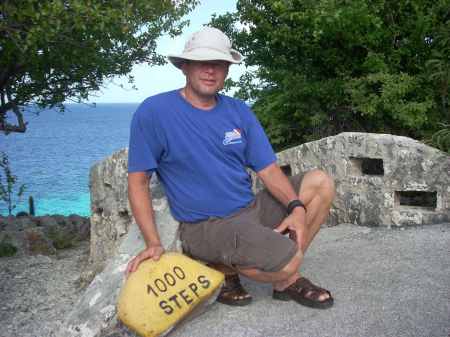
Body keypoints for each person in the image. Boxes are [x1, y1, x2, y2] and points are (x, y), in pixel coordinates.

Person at [126, 27, 335, 309]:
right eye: (202, 62)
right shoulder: (154, 112)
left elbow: (269, 170)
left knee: (320, 182)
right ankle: (230, 270)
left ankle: (280, 279)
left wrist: (297, 208)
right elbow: (138, 182)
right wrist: (153, 243)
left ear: (227, 70)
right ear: (185, 66)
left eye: (220, 64)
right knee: (289, 259)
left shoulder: (238, 110)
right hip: (207, 226)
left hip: (250, 210)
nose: (211, 70)